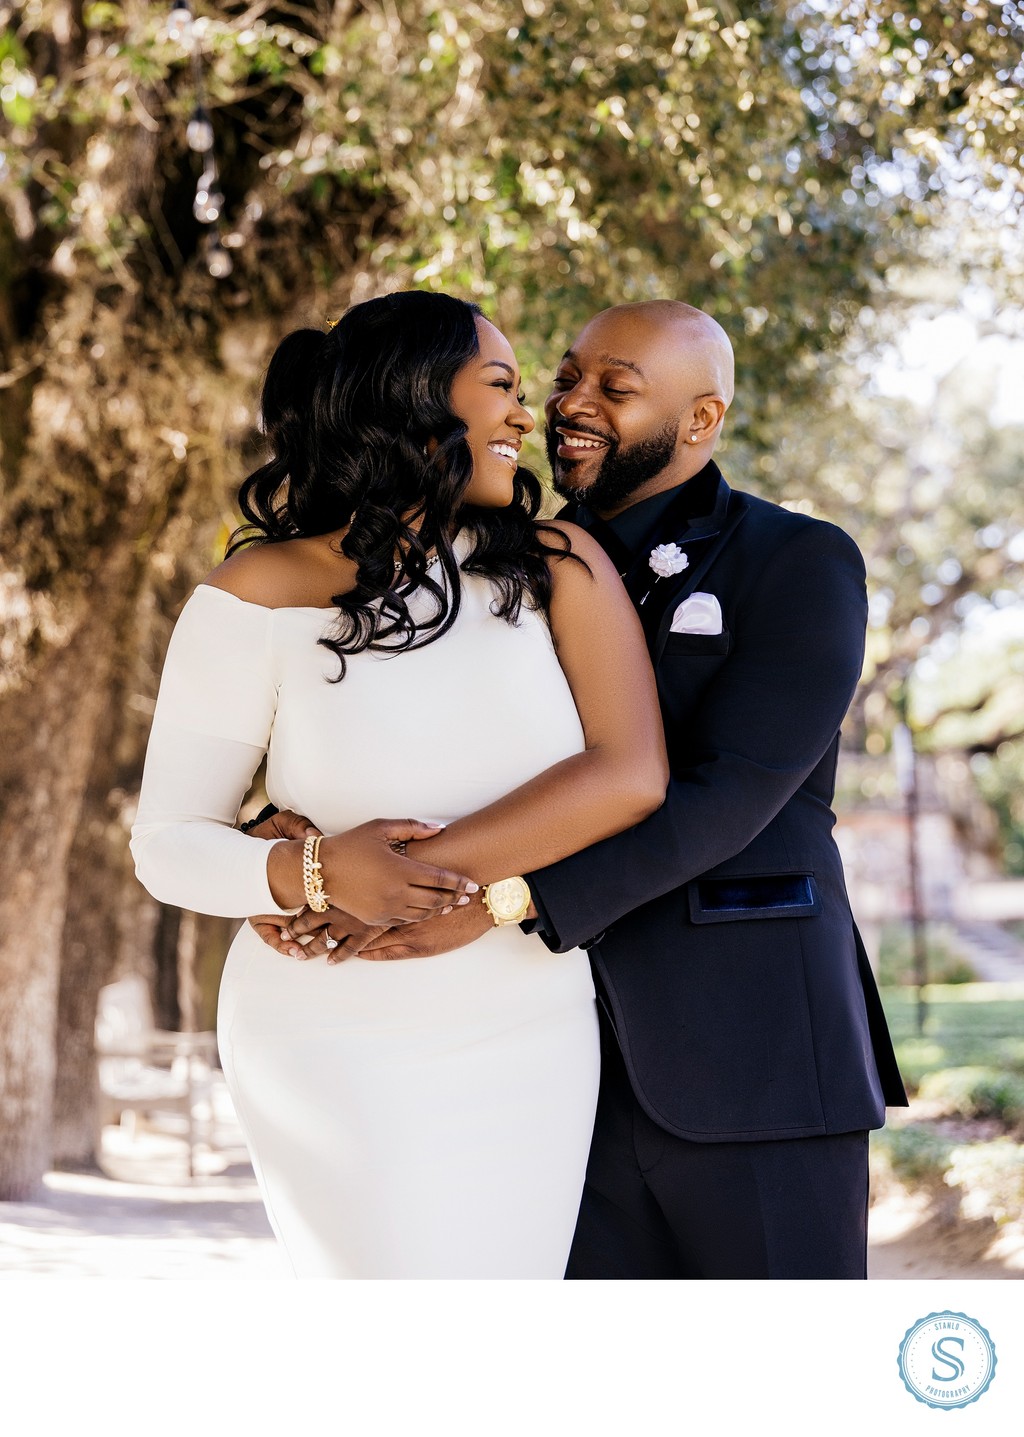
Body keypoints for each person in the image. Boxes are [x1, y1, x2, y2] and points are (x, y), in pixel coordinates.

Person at [261, 300, 908, 1280]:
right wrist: (292, 826)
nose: (572, 403)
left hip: (754, 1053)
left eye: (616, 387)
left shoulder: (800, 561)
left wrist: (502, 900)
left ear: (700, 421)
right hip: (540, 1067)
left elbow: (732, 792)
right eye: (565, 376)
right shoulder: (486, 574)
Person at [130, 291, 669, 1279]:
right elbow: (168, 842)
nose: (523, 416)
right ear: (414, 398)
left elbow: (628, 773)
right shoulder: (254, 593)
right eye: (499, 386)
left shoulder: (558, 564)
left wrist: (401, 878)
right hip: (325, 1026)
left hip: (523, 1022)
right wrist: (311, 872)